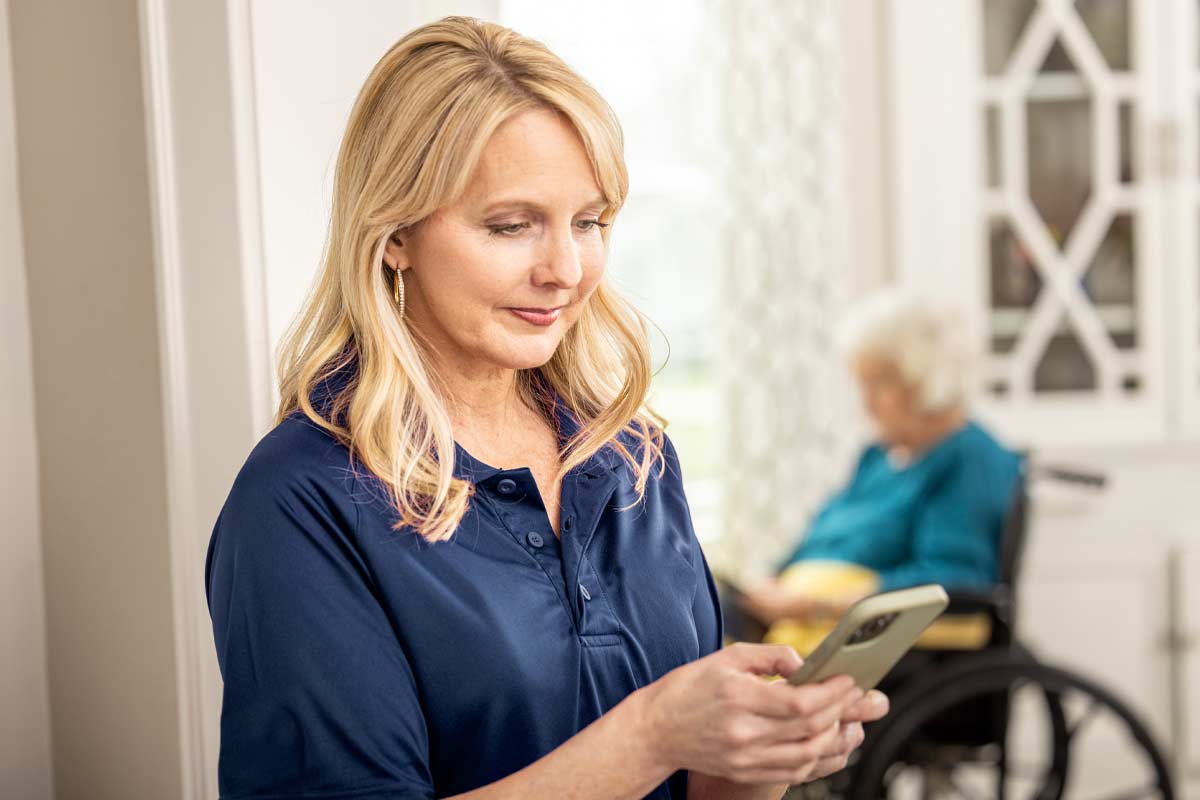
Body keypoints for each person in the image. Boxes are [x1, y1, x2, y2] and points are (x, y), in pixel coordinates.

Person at [204, 16, 887, 800]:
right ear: (394, 232)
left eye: (589, 222)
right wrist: (650, 733)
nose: (566, 269)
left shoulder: (631, 456)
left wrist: (764, 757)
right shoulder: (302, 500)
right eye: (511, 225)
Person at [737, 289, 1023, 629]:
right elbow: (823, 537)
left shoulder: (968, 457)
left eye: (879, 383)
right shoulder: (877, 457)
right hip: (792, 622)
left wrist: (821, 605)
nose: (866, 403)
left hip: (859, 639)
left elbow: (955, 578)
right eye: (862, 384)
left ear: (925, 379)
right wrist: (773, 581)